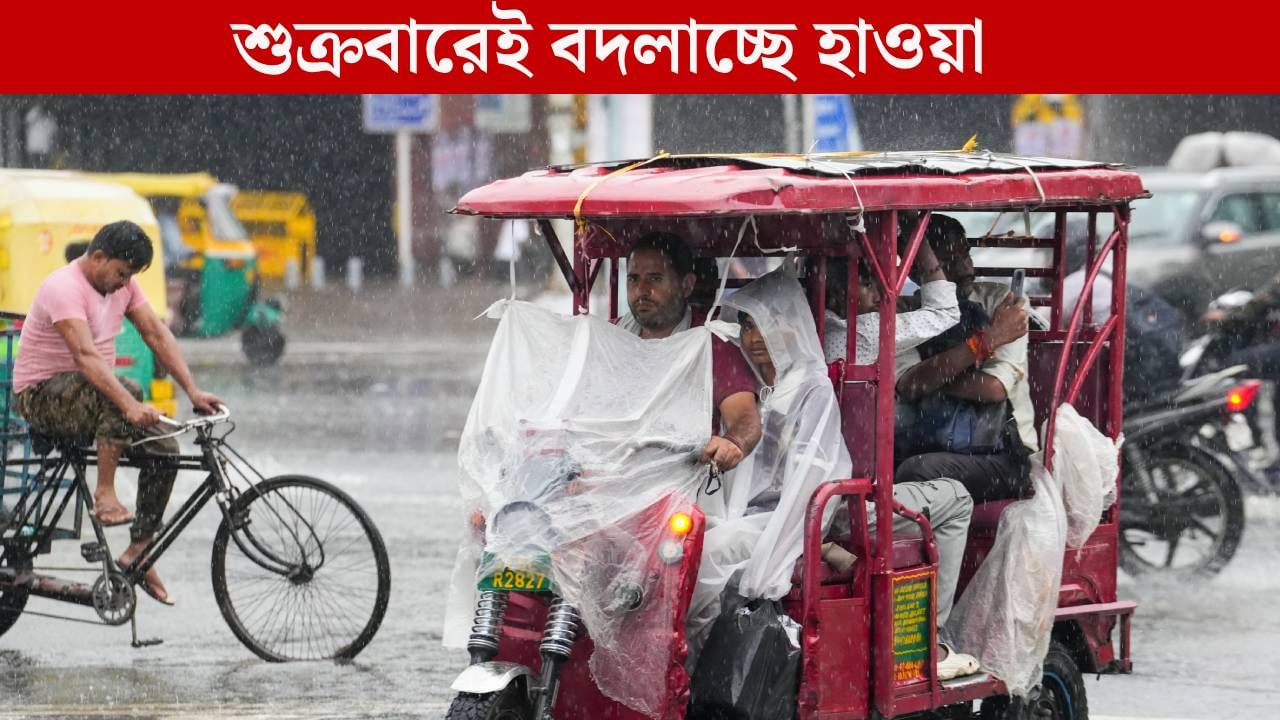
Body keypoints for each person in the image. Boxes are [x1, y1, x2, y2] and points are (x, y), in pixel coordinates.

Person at [703, 269, 978, 680]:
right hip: (774, 512)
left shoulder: (811, 385)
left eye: (766, 324)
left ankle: (930, 644)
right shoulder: (751, 384)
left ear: (791, 324)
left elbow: (811, 479)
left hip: (808, 512)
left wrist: (780, 546)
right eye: (746, 325)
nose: (755, 338)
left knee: (716, 547)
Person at [11, 220, 223, 605]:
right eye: (122, 273)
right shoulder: (63, 287)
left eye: (130, 277)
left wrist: (192, 391)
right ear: (98, 257)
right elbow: (87, 358)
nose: (125, 284)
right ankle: (104, 493)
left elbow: (156, 334)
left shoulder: (123, 285)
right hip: (40, 396)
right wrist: (128, 405)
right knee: (124, 390)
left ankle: (138, 549)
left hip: (91, 397)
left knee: (164, 448)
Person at [893, 215, 1036, 503]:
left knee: (915, 471)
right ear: (917, 272)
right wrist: (988, 340)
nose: (964, 267)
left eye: (965, 254)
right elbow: (908, 384)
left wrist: (931, 378)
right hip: (932, 442)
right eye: (946, 261)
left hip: (1001, 454)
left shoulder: (999, 301)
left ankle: (937, 545)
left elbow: (992, 389)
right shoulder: (907, 313)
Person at [619, 231, 762, 472]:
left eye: (654, 279)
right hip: (614, 480)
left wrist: (732, 443)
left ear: (686, 285)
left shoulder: (713, 344)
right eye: (633, 279)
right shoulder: (613, 337)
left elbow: (745, 418)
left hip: (687, 488)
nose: (641, 291)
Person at [822, 232, 961, 365]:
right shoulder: (863, 332)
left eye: (882, 283)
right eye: (867, 285)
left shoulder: (822, 323)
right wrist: (916, 233)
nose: (879, 296)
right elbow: (945, 312)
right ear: (838, 292)